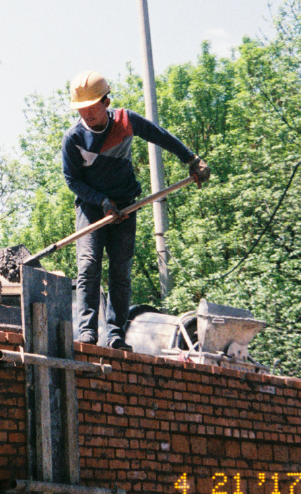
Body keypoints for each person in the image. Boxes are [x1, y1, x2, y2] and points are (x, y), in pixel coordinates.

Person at [61, 71, 210, 350]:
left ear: (106, 102)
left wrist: (192, 159)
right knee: (89, 266)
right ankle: (87, 332)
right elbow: (72, 180)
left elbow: (161, 136)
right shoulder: (73, 138)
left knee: (120, 270)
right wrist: (102, 201)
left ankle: (116, 334)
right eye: (81, 109)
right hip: (92, 208)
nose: (87, 114)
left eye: (92, 107)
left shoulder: (126, 121)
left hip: (127, 206)